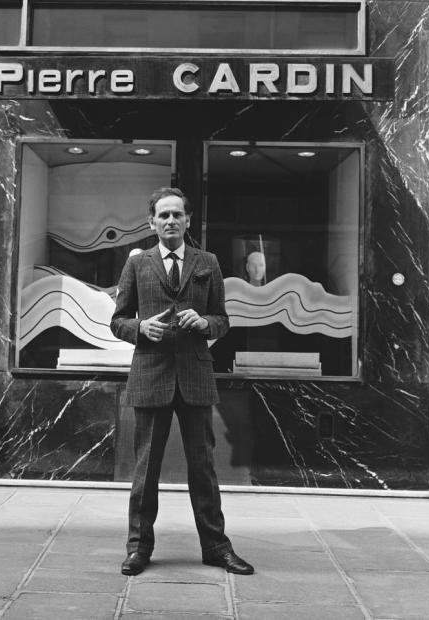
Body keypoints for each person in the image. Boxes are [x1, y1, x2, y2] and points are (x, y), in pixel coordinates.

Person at [110, 187, 254, 577]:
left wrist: (206, 323)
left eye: (177, 214)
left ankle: (216, 547)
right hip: (151, 374)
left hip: (195, 375)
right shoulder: (137, 264)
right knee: (145, 470)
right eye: (164, 215)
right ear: (152, 222)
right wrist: (142, 328)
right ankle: (138, 548)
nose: (171, 220)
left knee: (203, 468)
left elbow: (222, 319)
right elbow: (117, 320)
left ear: (188, 220)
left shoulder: (208, 262)